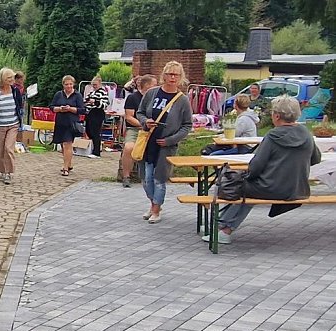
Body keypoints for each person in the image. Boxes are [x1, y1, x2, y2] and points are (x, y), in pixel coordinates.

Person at [203, 95, 322, 244]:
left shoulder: (273, 136)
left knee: (234, 185)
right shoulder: (306, 134)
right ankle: (224, 229)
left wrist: (248, 175)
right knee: (248, 190)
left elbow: (256, 166)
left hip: (271, 187)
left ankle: (220, 226)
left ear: (277, 116)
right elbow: (316, 158)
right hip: (297, 189)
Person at [136, 61, 193, 224]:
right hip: (148, 141)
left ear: (180, 77)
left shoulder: (182, 100)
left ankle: (156, 209)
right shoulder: (152, 93)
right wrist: (146, 121)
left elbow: (187, 125)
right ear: (164, 75)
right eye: (170, 74)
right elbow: (140, 112)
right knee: (146, 178)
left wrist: (170, 140)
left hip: (166, 146)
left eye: (176, 74)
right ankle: (154, 204)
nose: (172, 77)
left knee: (159, 179)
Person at [0, 67, 24, 185]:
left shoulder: (15, 91)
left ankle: (8, 173)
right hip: (0, 125)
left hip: (13, 124)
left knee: (8, 148)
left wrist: (19, 119)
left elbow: (19, 105)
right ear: (3, 79)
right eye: (9, 78)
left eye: (12, 77)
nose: (12, 80)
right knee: (0, 149)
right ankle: (2, 171)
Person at [121, 74, 158, 187]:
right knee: (129, 148)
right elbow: (129, 117)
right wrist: (144, 125)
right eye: (154, 85)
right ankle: (126, 176)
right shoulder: (133, 98)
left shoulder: (156, 99)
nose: (157, 87)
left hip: (154, 129)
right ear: (146, 85)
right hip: (135, 129)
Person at [49, 75, 86, 177]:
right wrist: (60, 109)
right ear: (63, 85)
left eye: (70, 84)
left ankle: (65, 168)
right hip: (61, 122)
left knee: (67, 144)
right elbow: (51, 107)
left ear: (73, 84)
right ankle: (68, 164)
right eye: (66, 84)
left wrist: (71, 109)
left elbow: (82, 110)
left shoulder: (77, 95)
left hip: (72, 123)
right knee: (62, 145)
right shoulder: (58, 94)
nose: (69, 86)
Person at [84, 76, 110, 158]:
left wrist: (95, 102)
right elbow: (86, 100)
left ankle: (96, 152)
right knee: (89, 130)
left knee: (95, 132)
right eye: (93, 85)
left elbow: (105, 104)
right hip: (90, 113)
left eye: (95, 84)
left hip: (97, 113)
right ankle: (94, 148)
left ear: (100, 84)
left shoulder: (103, 92)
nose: (94, 86)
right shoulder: (93, 92)